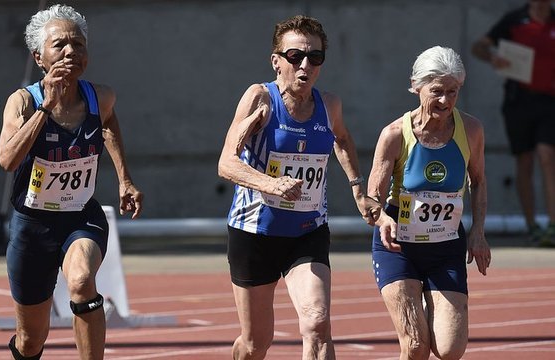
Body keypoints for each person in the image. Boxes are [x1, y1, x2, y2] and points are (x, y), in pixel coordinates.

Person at [218, 15, 378, 360]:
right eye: (295, 56)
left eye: (315, 58)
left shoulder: (329, 105)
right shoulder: (260, 99)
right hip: (255, 233)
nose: (305, 65)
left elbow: (344, 139)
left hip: (307, 231)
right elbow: (226, 163)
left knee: (318, 324)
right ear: (277, 61)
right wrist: (271, 184)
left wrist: (357, 189)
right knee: (256, 343)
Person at [0, 4, 143, 359]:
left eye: (78, 45)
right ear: (39, 56)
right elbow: (8, 159)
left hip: (81, 216)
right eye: (59, 45)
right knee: (31, 340)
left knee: (81, 282)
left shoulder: (101, 96)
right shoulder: (23, 102)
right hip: (32, 226)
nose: (70, 52)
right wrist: (46, 108)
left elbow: (108, 122)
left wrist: (125, 179)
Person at [367, 46, 491, 360]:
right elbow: (372, 200)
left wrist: (478, 232)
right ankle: (413, 301)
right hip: (399, 247)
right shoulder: (394, 135)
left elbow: (478, 181)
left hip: (446, 246)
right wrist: (382, 219)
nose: (445, 101)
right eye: (436, 92)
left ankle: (428, 300)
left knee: (450, 350)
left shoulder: (471, 130)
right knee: (415, 347)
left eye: (453, 92)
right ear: (416, 85)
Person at [471, 0, 555, 246]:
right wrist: (494, 58)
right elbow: (479, 47)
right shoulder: (514, 20)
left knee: (547, 156)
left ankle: (552, 224)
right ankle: (532, 225)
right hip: (519, 101)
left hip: (550, 102)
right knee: (525, 160)